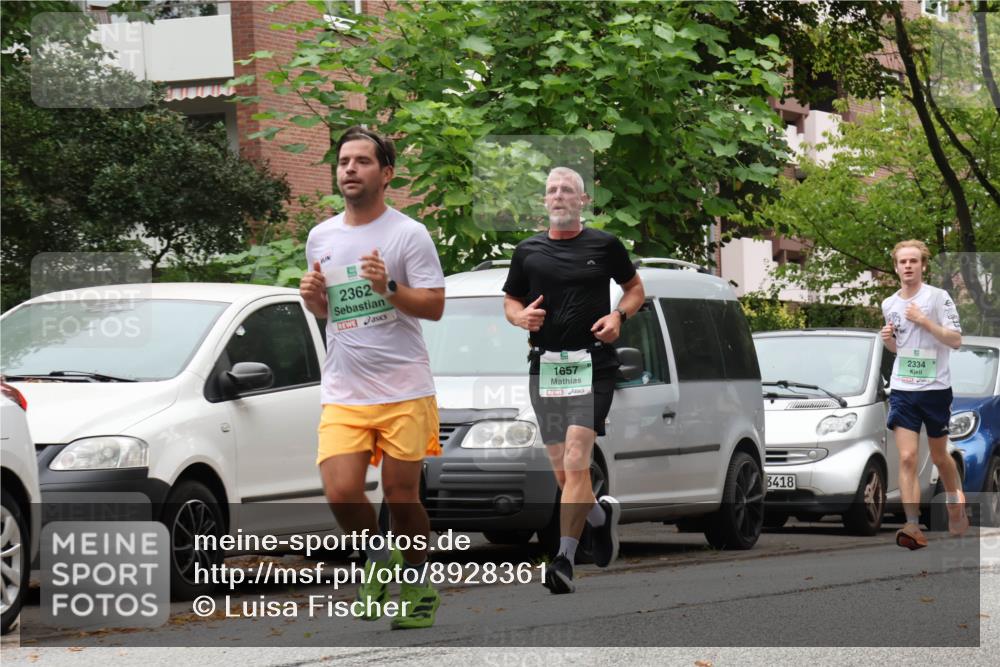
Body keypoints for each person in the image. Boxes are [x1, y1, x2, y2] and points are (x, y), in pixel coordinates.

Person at [300, 126, 446, 628]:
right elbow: (331, 313)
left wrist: (388, 287)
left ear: (386, 174)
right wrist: (316, 300)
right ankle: (380, 564)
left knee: (402, 496)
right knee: (341, 490)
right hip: (345, 388)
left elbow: (434, 306)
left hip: (404, 387)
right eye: (344, 162)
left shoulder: (408, 234)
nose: (350, 170)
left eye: (362, 161)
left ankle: (420, 585)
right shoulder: (321, 236)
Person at [503, 166, 645, 593]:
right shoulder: (527, 251)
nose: (559, 195)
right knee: (564, 475)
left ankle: (563, 559)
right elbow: (511, 301)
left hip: (593, 366)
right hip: (546, 367)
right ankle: (599, 518)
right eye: (552, 190)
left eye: (568, 189)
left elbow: (635, 288)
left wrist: (618, 315)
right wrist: (520, 317)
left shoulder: (604, 245)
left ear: (583, 201)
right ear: (544, 202)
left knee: (577, 459)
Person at [880, 239, 968, 549]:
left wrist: (924, 321)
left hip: (935, 390)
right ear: (896, 267)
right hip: (904, 389)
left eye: (913, 261)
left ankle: (956, 502)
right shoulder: (889, 304)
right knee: (907, 457)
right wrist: (888, 340)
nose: (908, 266)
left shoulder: (938, 298)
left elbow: (956, 340)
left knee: (941, 457)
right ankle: (913, 526)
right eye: (902, 262)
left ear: (923, 265)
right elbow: (898, 347)